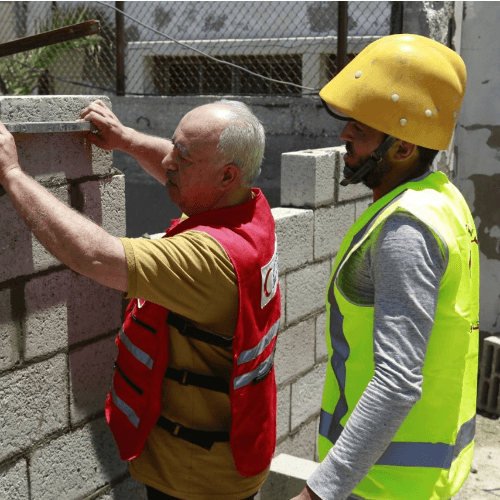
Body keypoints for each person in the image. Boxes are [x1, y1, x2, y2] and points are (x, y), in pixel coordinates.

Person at [0, 99, 281, 500]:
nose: (168, 160)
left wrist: (12, 173)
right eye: (173, 145)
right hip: (223, 460)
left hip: (196, 480)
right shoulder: (246, 211)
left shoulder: (209, 259)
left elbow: (93, 256)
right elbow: (178, 175)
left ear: (226, 176)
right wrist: (126, 140)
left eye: (182, 156)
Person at [292, 34, 480, 500]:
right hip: (413, 481)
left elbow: (396, 382)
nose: (344, 136)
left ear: (401, 149)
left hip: (381, 487)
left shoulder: (406, 230)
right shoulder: (441, 197)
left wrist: (319, 492)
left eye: (361, 127)